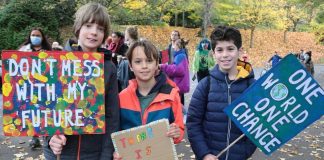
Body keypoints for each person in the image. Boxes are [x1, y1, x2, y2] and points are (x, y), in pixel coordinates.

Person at [43, 3, 120, 160]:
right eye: (88, 25)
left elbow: (112, 116)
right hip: (59, 152)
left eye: (100, 28)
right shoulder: (56, 62)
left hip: (93, 153)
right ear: (78, 27)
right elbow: (42, 107)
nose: (94, 32)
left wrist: (106, 155)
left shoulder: (108, 67)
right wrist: (50, 137)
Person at [187, 26, 256, 160]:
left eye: (230, 49)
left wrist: (245, 151)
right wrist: (204, 154)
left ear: (239, 51)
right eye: (219, 50)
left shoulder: (252, 86)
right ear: (213, 53)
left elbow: (260, 123)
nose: (225, 55)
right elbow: (193, 123)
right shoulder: (205, 85)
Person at [114, 40, 184, 159]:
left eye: (149, 61)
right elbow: (115, 134)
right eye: (138, 62)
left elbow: (180, 130)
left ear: (157, 64)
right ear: (130, 66)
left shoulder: (171, 95)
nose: (144, 66)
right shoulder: (122, 97)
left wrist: (176, 133)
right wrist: (116, 151)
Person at [18, 27, 52, 149]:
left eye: (38, 35)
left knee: (43, 111)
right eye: (33, 35)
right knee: (32, 112)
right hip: (29, 87)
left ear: (42, 38)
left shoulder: (48, 51)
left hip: (44, 87)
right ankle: (35, 137)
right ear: (29, 36)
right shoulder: (23, 50)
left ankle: (46, 137)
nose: (35, 37)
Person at [160, 38, 190, 109]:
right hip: (181, 83)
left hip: (179, 84)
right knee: (178, 103)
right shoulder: (181, 55)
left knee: (177, 104)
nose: (173, 47)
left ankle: (181, 116)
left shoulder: (180, 56)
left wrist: (164, 67)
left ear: (178, 46)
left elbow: (178, 70)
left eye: (174, 45)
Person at [117, 26, 138, 91]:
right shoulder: (134, 44)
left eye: (125, 34)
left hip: (130, 75)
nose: (125, 35)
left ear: (129, 35)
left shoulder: (134, 46)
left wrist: (123, 60)